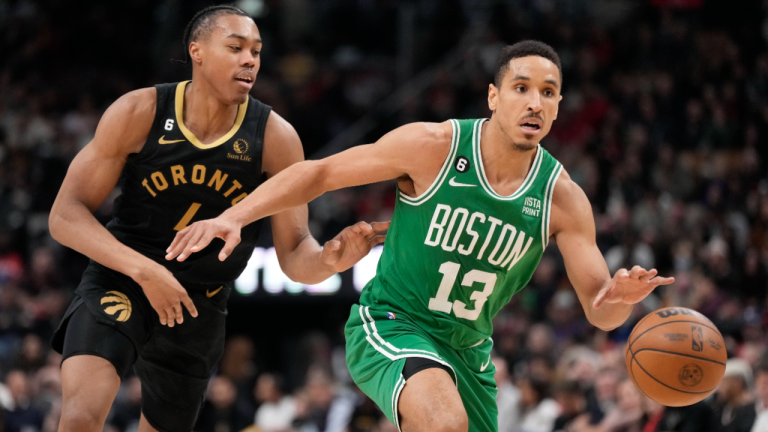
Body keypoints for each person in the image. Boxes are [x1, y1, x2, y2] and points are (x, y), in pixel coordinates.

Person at [166, 40, 675, 432]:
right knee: (443, 421)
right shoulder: (433, 146)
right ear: (494, 97)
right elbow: (318, 174)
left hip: (470, 354)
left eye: (547, 92)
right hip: (390, 322)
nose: (534, 102)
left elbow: (598, 310)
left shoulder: (563, 198)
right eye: (521, 88)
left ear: (559, 105)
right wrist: (234, 215)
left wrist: (621, 299)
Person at [48, 5, 385, 432]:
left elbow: (297, 257)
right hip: (124, 278)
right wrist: (146, 272)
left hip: (199, 304)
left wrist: (333, 259)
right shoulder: (140, 111)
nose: (250, 60)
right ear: (197, 52)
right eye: (236, 47)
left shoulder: (275, 138)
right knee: (79, 418)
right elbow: (65, 215)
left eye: (257, 52)